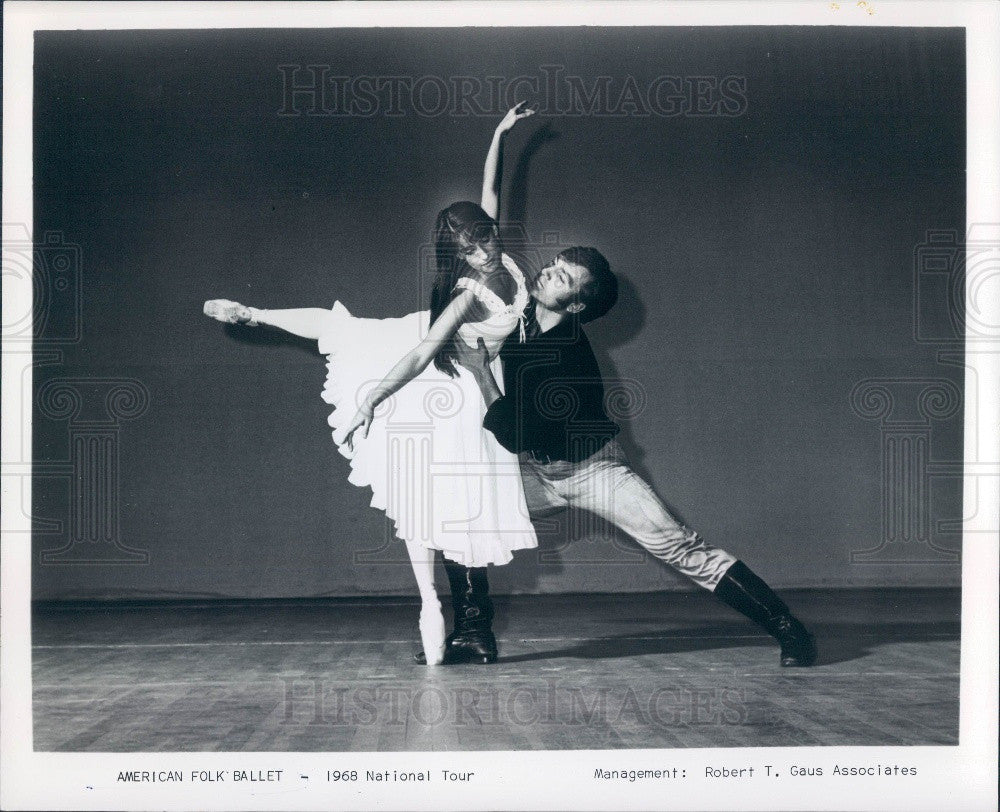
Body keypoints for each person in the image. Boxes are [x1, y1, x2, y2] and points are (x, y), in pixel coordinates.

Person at [203, 103, 538, 665]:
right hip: (444, 378)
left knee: (465, 508)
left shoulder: (500, 255)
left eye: (487, 241)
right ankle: (253, 313)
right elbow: (420, 355)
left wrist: (499, 134)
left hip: (479, 372)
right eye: (472, 250)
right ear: (458, 256)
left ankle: (472, 628)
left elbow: (490, 191)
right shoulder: (466, 294)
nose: (485, 253)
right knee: (346, 332)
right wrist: (372, 401)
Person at [433, 246, 818, 667]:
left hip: (594, 471)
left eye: (562, 278)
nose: (548, 272)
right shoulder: (520, 317)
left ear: (576, 304)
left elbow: (514, 433)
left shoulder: (568, 355)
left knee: (681, 547)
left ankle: (789, 629)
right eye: (554, 265)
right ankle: (472, 635)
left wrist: (480, 371)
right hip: (539, 471)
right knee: (463, 516)